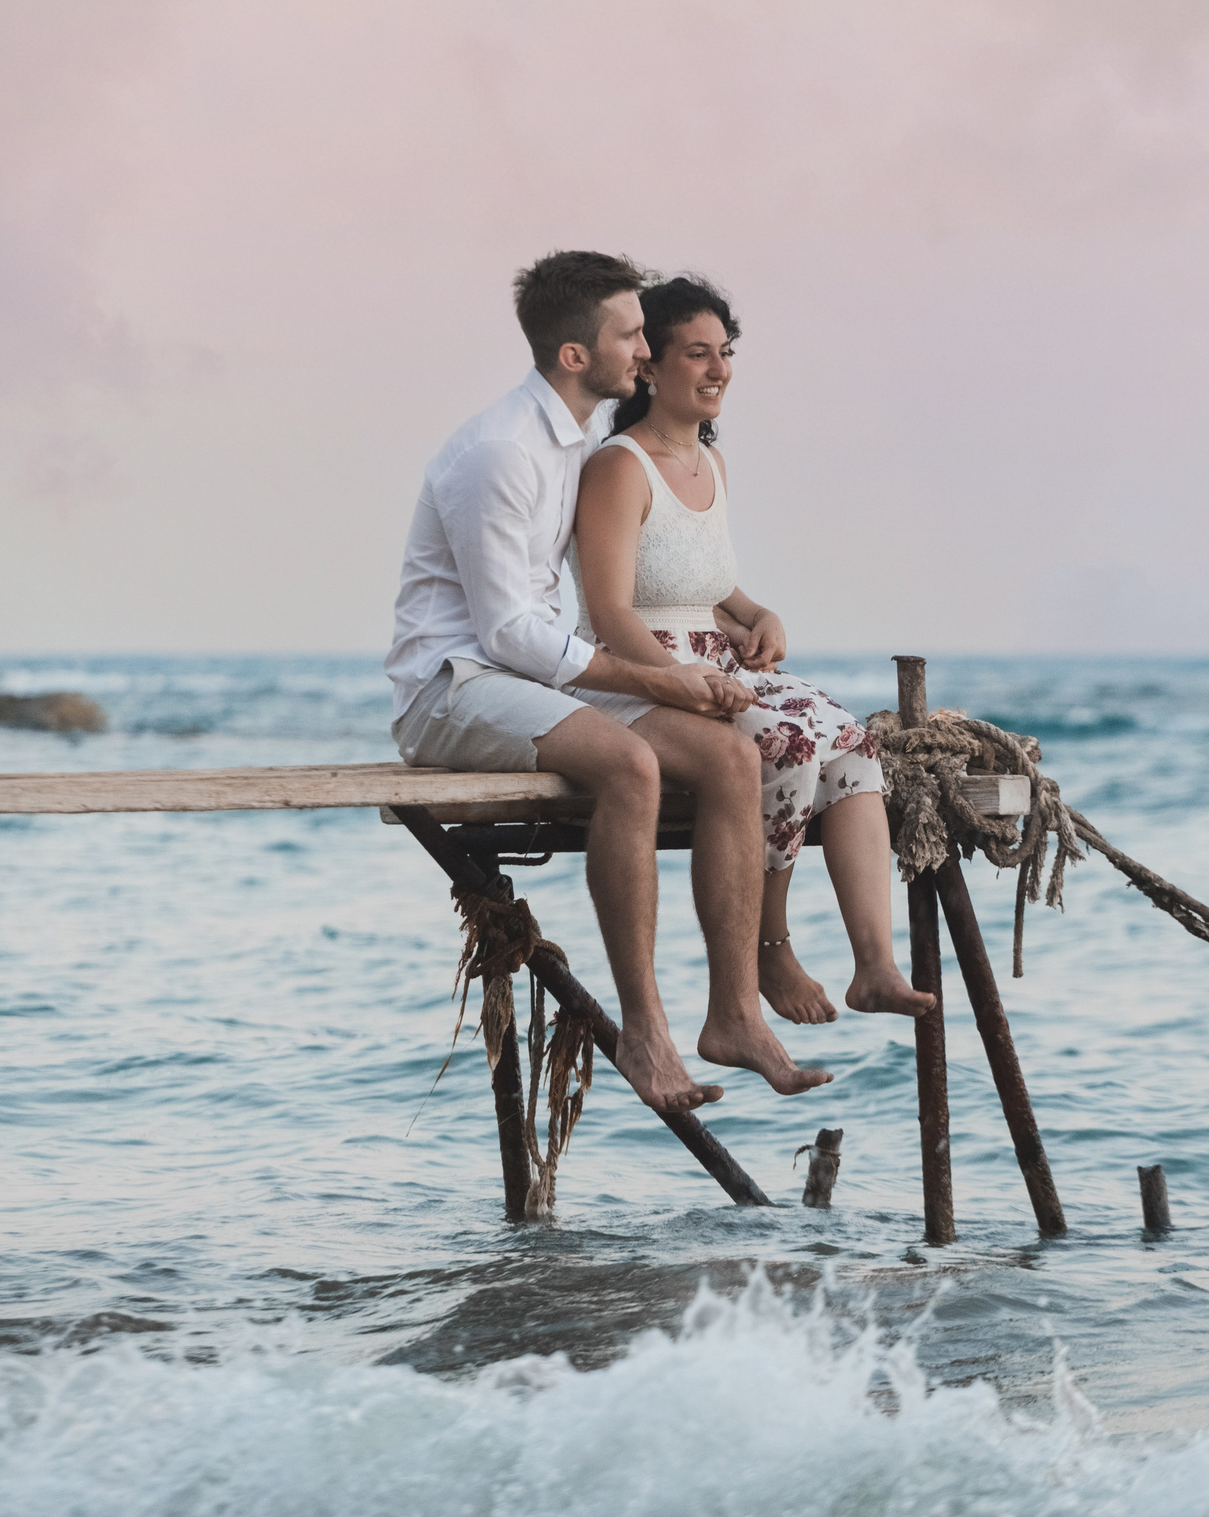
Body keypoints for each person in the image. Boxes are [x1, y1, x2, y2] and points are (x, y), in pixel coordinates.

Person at [386, 251, 832, 1111]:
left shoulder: (582, 438)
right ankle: (645, 1033)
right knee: (633, 765)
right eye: (632, 333)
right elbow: (508, 632)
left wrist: (726, 632)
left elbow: (603, 597)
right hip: (452, 686)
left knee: (733, 759)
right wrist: (660, 681)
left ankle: (734, 1010)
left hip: (534, 677)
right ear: (575, 356)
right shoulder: (500, 454)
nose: (646, 346)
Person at [569, 276, 935, 1027]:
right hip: (643, 673)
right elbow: (608, 610)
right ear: (649, 366)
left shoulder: (711, 463)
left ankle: (875, 965)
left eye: (725, 353)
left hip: (719, 663)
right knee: (790, 740)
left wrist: (758, 612)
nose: (719, 370)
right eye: (698, 354)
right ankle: (771, 944)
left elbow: (713, 587)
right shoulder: (618, 466)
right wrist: (678, 677)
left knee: (855, 744)